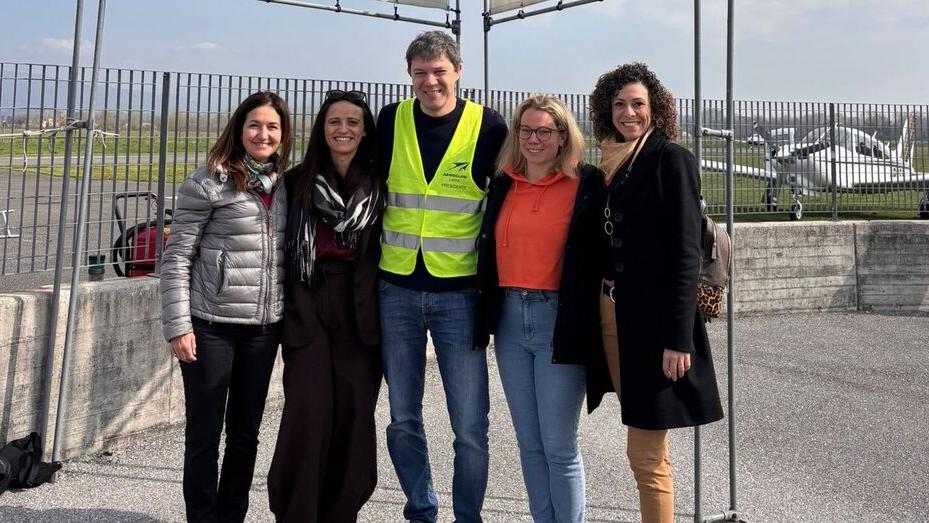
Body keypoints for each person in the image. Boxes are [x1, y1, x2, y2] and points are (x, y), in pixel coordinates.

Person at [376, 30, 507, 523]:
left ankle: (467, 516)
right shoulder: (391, 120)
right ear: (409, 75)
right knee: (402, 418)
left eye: (438, 71)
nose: (430, 81)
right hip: (397, 289)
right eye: (419, 73)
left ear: (458, 71)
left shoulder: (489, 126)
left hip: (460, 295)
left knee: (471, 425)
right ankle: (420, 508)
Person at [586, 62, 724, 523]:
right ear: (608, 111)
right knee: (644, 445)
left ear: (655, 109)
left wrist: (678, 338)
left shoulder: (671, 159)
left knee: (646, 453)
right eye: (620, 104)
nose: (629, 112)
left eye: (638, 104)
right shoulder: (607, 163)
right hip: (609, 315)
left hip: (653, 325)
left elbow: (687, 254)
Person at [160, 91, 292, 523]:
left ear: (283, 134)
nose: (263, 134)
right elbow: (177, 257)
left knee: (246, 434)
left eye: (272, 127)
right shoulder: (207, 182)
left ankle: (231, 514)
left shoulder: (287, 186)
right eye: (255, 125)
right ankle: (201, 516)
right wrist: (179, 325)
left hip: (262, 329)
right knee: (204, 431)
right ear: (238, 129)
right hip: (211, 325)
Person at [474, 94, 601, 523]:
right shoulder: (504, 182)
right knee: (528, 443)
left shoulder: (586, 184)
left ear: (563, 136)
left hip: (558, 321)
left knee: (559, 446)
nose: (533, 139)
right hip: (509, 321)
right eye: (526, 130)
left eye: (544, 130)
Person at [265, 89, 383, 523]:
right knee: (307, 415)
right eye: (335, 121)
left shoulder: (380, 183)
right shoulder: (295, 182)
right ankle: (296, 513)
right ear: (322, 128)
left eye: (353, 122)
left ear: (365, 129)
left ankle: (341, 512)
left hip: (361, 311)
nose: (344, 130)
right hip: (308, 305)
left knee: (354, 418)